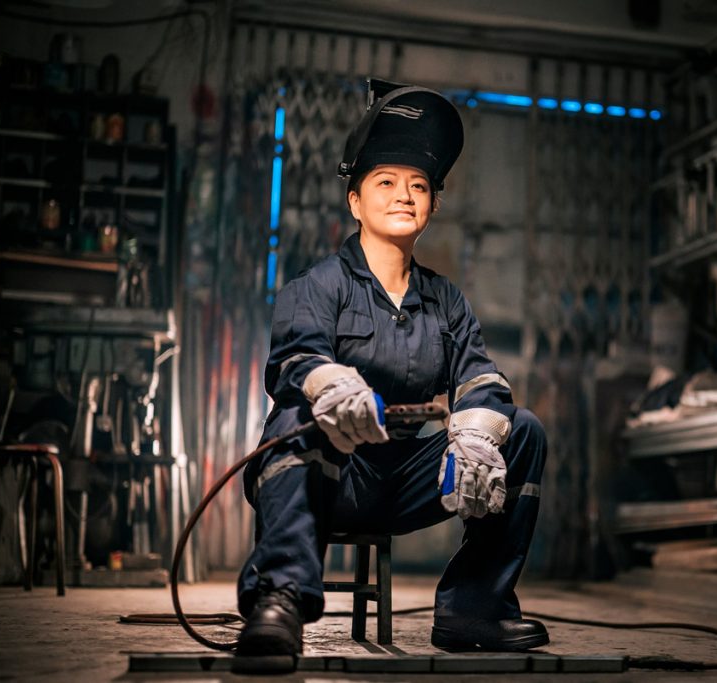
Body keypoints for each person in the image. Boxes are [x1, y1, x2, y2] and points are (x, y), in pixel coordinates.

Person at [235, 80, 549, 659]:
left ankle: (474, 609)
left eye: (419, 186)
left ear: (431, 205)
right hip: (332, 476)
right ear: (354, 201)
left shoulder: (445, 300)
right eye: (386, 182)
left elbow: (479, 377)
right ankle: (277, 600)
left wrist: (477, 434)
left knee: (522, 429)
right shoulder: (317, 286)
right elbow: (294, 361)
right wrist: (332, 389)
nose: (404, 195)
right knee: (295, 417)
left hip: (406, 479)